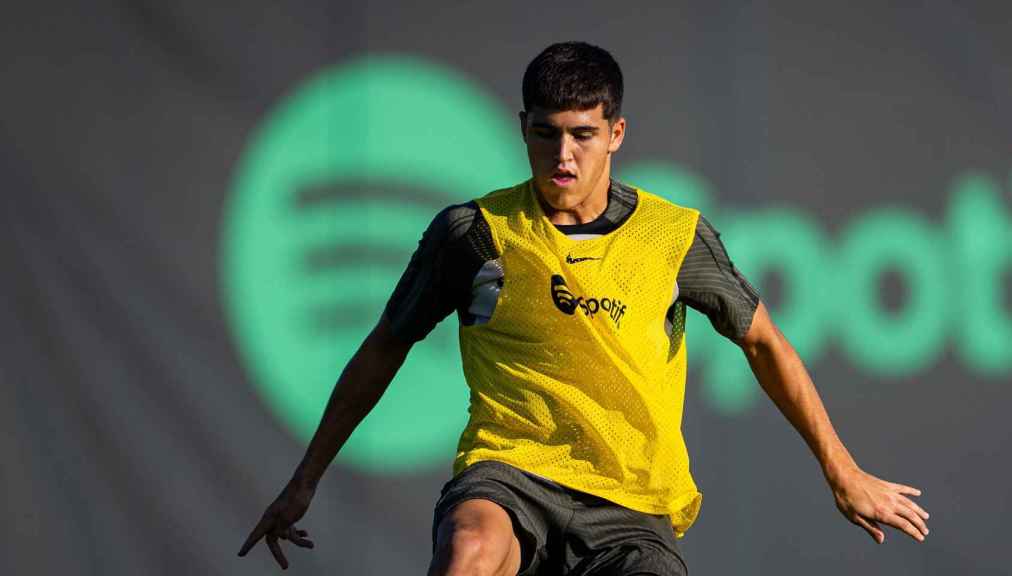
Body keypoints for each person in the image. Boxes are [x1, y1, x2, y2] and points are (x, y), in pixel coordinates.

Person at [238, 41, 929, 575]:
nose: (562, 155)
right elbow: (384, 346)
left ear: (616, 133)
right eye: (545, 134)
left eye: (582, 134)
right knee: (469, 553)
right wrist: (304, 482)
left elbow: (764, 343)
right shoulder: (471, 234)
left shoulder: (674, 237)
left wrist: (842, 470)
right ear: (522, 128)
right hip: (511, 475)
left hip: (631, 503)